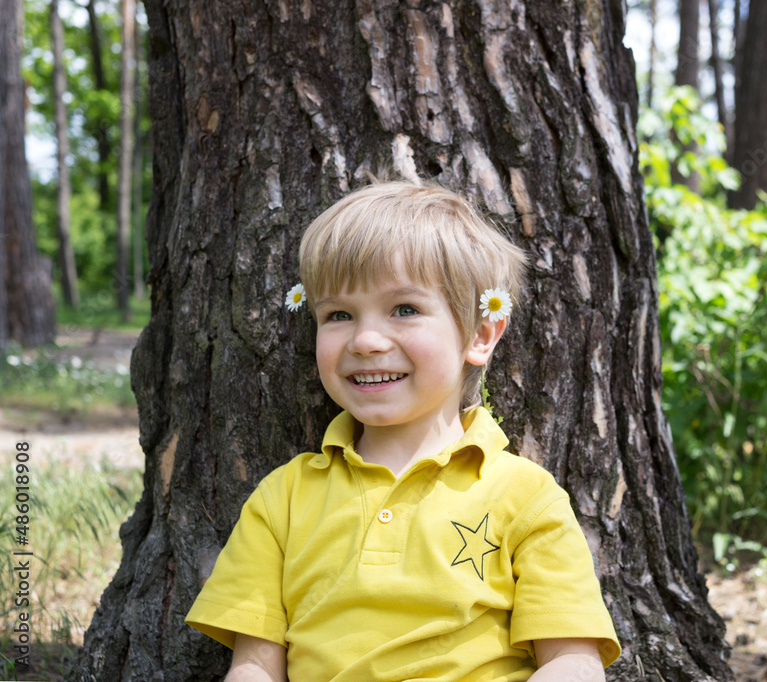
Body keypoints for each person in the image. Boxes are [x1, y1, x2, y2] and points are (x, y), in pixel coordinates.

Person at [185, 181, 620, 681]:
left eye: (405, 309)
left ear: (480, 335)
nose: (367, 340)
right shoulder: (282, 500)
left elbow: (573, 661)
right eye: (339, 315)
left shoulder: (524, 497)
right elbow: (254, 668)